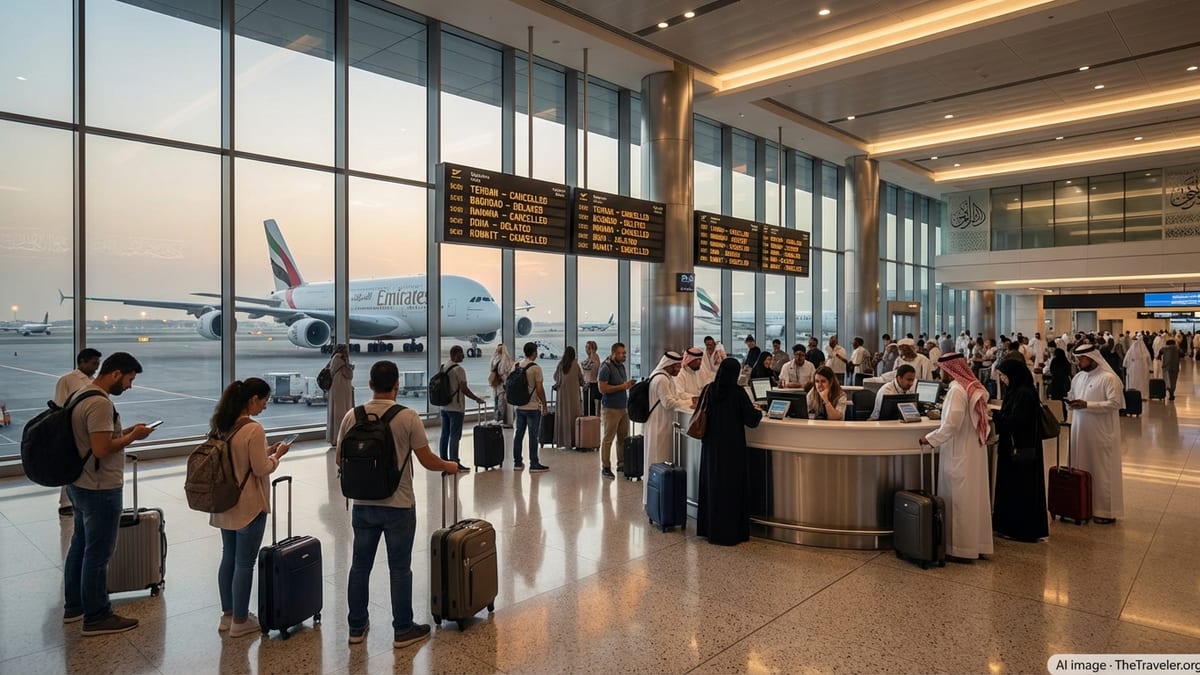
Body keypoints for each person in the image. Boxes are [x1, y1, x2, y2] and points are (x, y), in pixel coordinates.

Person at [339, 360, 459, 649]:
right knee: (400, 569)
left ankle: (356, 627)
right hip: (399, 504)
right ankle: (402, 629)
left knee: (359, 567)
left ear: (369, 385)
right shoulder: (407, 417)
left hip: (363, 504)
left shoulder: (351, 417)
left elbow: (340, 460)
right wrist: (450, 465)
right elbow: (427, 460)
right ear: (397, 385)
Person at [63, 352, 155, 635]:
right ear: (116, 373)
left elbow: (94, 440)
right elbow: (102, 449)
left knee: (79, 545)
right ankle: (97, 616)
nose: (129, 386)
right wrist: (133, 437)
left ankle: (74, 606)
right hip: (100, 487)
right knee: (98, 553)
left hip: (78, 483)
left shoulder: (80, 395)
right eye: (129, 379)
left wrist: (123, 432)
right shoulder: (100, 404)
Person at [209, 378, 291, 638]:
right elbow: (260, 468)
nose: (265, 407)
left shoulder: (222, 425)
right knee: (245, 563)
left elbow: (239, 458)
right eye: (264, 401)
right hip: (248, 505)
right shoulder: (254, 429)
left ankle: (228, 615)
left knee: (228, 557)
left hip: (224, 503)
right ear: (253, 399)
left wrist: (265, 451)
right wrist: (277, 456)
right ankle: (241, 621)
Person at [919, 353, 993, 562]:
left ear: (949, 369)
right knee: (972, 500)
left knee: (959, 501)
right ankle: (976, 544)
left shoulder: (956, 391)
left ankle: (960, 548)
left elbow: (951, 424)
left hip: (959, 452)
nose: (940, 373)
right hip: (972, 453)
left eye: (942, 369)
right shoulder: (973, 386)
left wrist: (930, 438)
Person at [696, 357, 762, 546]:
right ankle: (730, 532)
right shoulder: (738, 393)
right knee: (731, 488)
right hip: (732, 448)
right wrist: (757, 411)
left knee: (712, 485)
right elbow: (751, 420)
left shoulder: (709, 389)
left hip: (710, 446)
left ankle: (710, 529)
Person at [991, 359, 1049, 543]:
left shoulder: (1023, 394)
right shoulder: (1018, 390)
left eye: (1004, 375)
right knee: (1011, 487)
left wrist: (996, 416)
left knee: (1020, 488)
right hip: (1015, 447)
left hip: (1021, 448)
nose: (1002, 379)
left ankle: (1021, 529)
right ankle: (1008, 526)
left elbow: (1016, 421)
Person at [1068, 344, 1125, 524]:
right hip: (1080, 431)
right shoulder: (1077, 377)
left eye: (1082, 359)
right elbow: (1072, 395)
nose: (1079, 362)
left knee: (1102, 470)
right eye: (1077, 359)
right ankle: (1082, 507)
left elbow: (1116, 403)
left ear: (1092, 358)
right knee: (1080, 467)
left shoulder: (1108, 378)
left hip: (1101, 433)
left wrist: (1088, 405)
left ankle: (1105, 512)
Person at [54, 348, 102, 517]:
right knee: (70, 465)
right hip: (72, 430)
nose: (96, 367)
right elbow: (59, 407)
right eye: (93, 363)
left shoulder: (94, 381)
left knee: (85, 467)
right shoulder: (67, 380)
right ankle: (65, 502)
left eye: (98, 363)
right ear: (82, 361)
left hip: (90, 430)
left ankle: (80, 500)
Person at [644, 351, 695, 503]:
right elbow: (669, 403)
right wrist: (690, 403)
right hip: (659, 424)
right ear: (670, 365)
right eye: (677, 366)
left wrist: (690, 398)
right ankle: (656, 499)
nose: (680, 369)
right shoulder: (661, 379)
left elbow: (676, 397)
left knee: (662, 459)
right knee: (658, 459)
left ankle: (662, 498)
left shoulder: (667, 378)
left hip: (664, 423)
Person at [437, 345, 485, 471]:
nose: (463, 356)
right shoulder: (459, 370)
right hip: (456, 408)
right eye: (461, 354)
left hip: (444, 406)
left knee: (444, 435)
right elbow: (464, 389)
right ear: (455, 354)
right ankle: (455, 462)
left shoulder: (443, 367)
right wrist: (476, 399)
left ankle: (443, 460)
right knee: (454, 436)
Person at [510, 341, 549, 472]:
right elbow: (539, 389)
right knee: (533, 436)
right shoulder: (536, 368)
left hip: (519, 406)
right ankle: (534, 463)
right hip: (532, 407)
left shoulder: (517, 365)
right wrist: (544, 404)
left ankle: (517, 463)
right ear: (534, 353)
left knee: (519, 434)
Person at [597, 342, 634, 478]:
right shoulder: (606, 368)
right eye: (620, 353)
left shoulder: (621, 367)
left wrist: (627, 386)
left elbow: (621, 385)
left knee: (623, 438)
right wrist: (622, 387)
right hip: (610, 409)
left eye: (624, 353)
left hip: (623, 407)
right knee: (608, 439)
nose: (623, 355)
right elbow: (602, 388)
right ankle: (605, 467)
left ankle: (622, 464)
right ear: (613, 353)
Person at [553, 345, 584, 449]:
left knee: (563, 416)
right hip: (574, 395)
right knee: (574, 416)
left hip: (562, 395)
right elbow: (581, 379)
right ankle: (575, 440)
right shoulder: (575, 364)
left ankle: (562, 441)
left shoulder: (561, 364)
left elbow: (555, 377)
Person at [326, 344, 355, 448]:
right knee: (343, 412)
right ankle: (342, 436)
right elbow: (349, 374)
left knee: (334, 412)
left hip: (335, 388)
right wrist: (351, 367)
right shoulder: (342, 359)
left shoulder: (334, 359)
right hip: (342, 388)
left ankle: (333, 437)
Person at [489, 343, 515, 426]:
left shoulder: (500, 360)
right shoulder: (503, 360)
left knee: (500, 402)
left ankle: (502, 419)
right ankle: (500, 418)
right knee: (500, 402)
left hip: (500, 385)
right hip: (500, 385)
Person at [1122, 335, 1151, 401]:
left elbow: (1125, 363)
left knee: (1140, 383)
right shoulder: (1143, 351)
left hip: (1139, 371)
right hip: (1134, 371)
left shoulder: (1132, 351)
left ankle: (1141, 395)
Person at [1047, 347, 1073, 418]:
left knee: (1055, 400)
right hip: (1064, 383)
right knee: (1063, 400)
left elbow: (1051, 370)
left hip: (1056, 382)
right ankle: (1064, 416)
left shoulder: (1055, 360)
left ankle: (1056, 415)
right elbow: (1068, 372)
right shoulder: (1066, 361)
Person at [580, 340, 601, 415]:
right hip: (587, 384)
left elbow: (589, 365)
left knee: (590, 407)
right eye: (586, 347)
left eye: (588, 347)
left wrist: (592, 351)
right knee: (586, 406)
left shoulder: (594, 358)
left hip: (591, 384)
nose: (586, 349)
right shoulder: (589, 358)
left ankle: (591, 423)